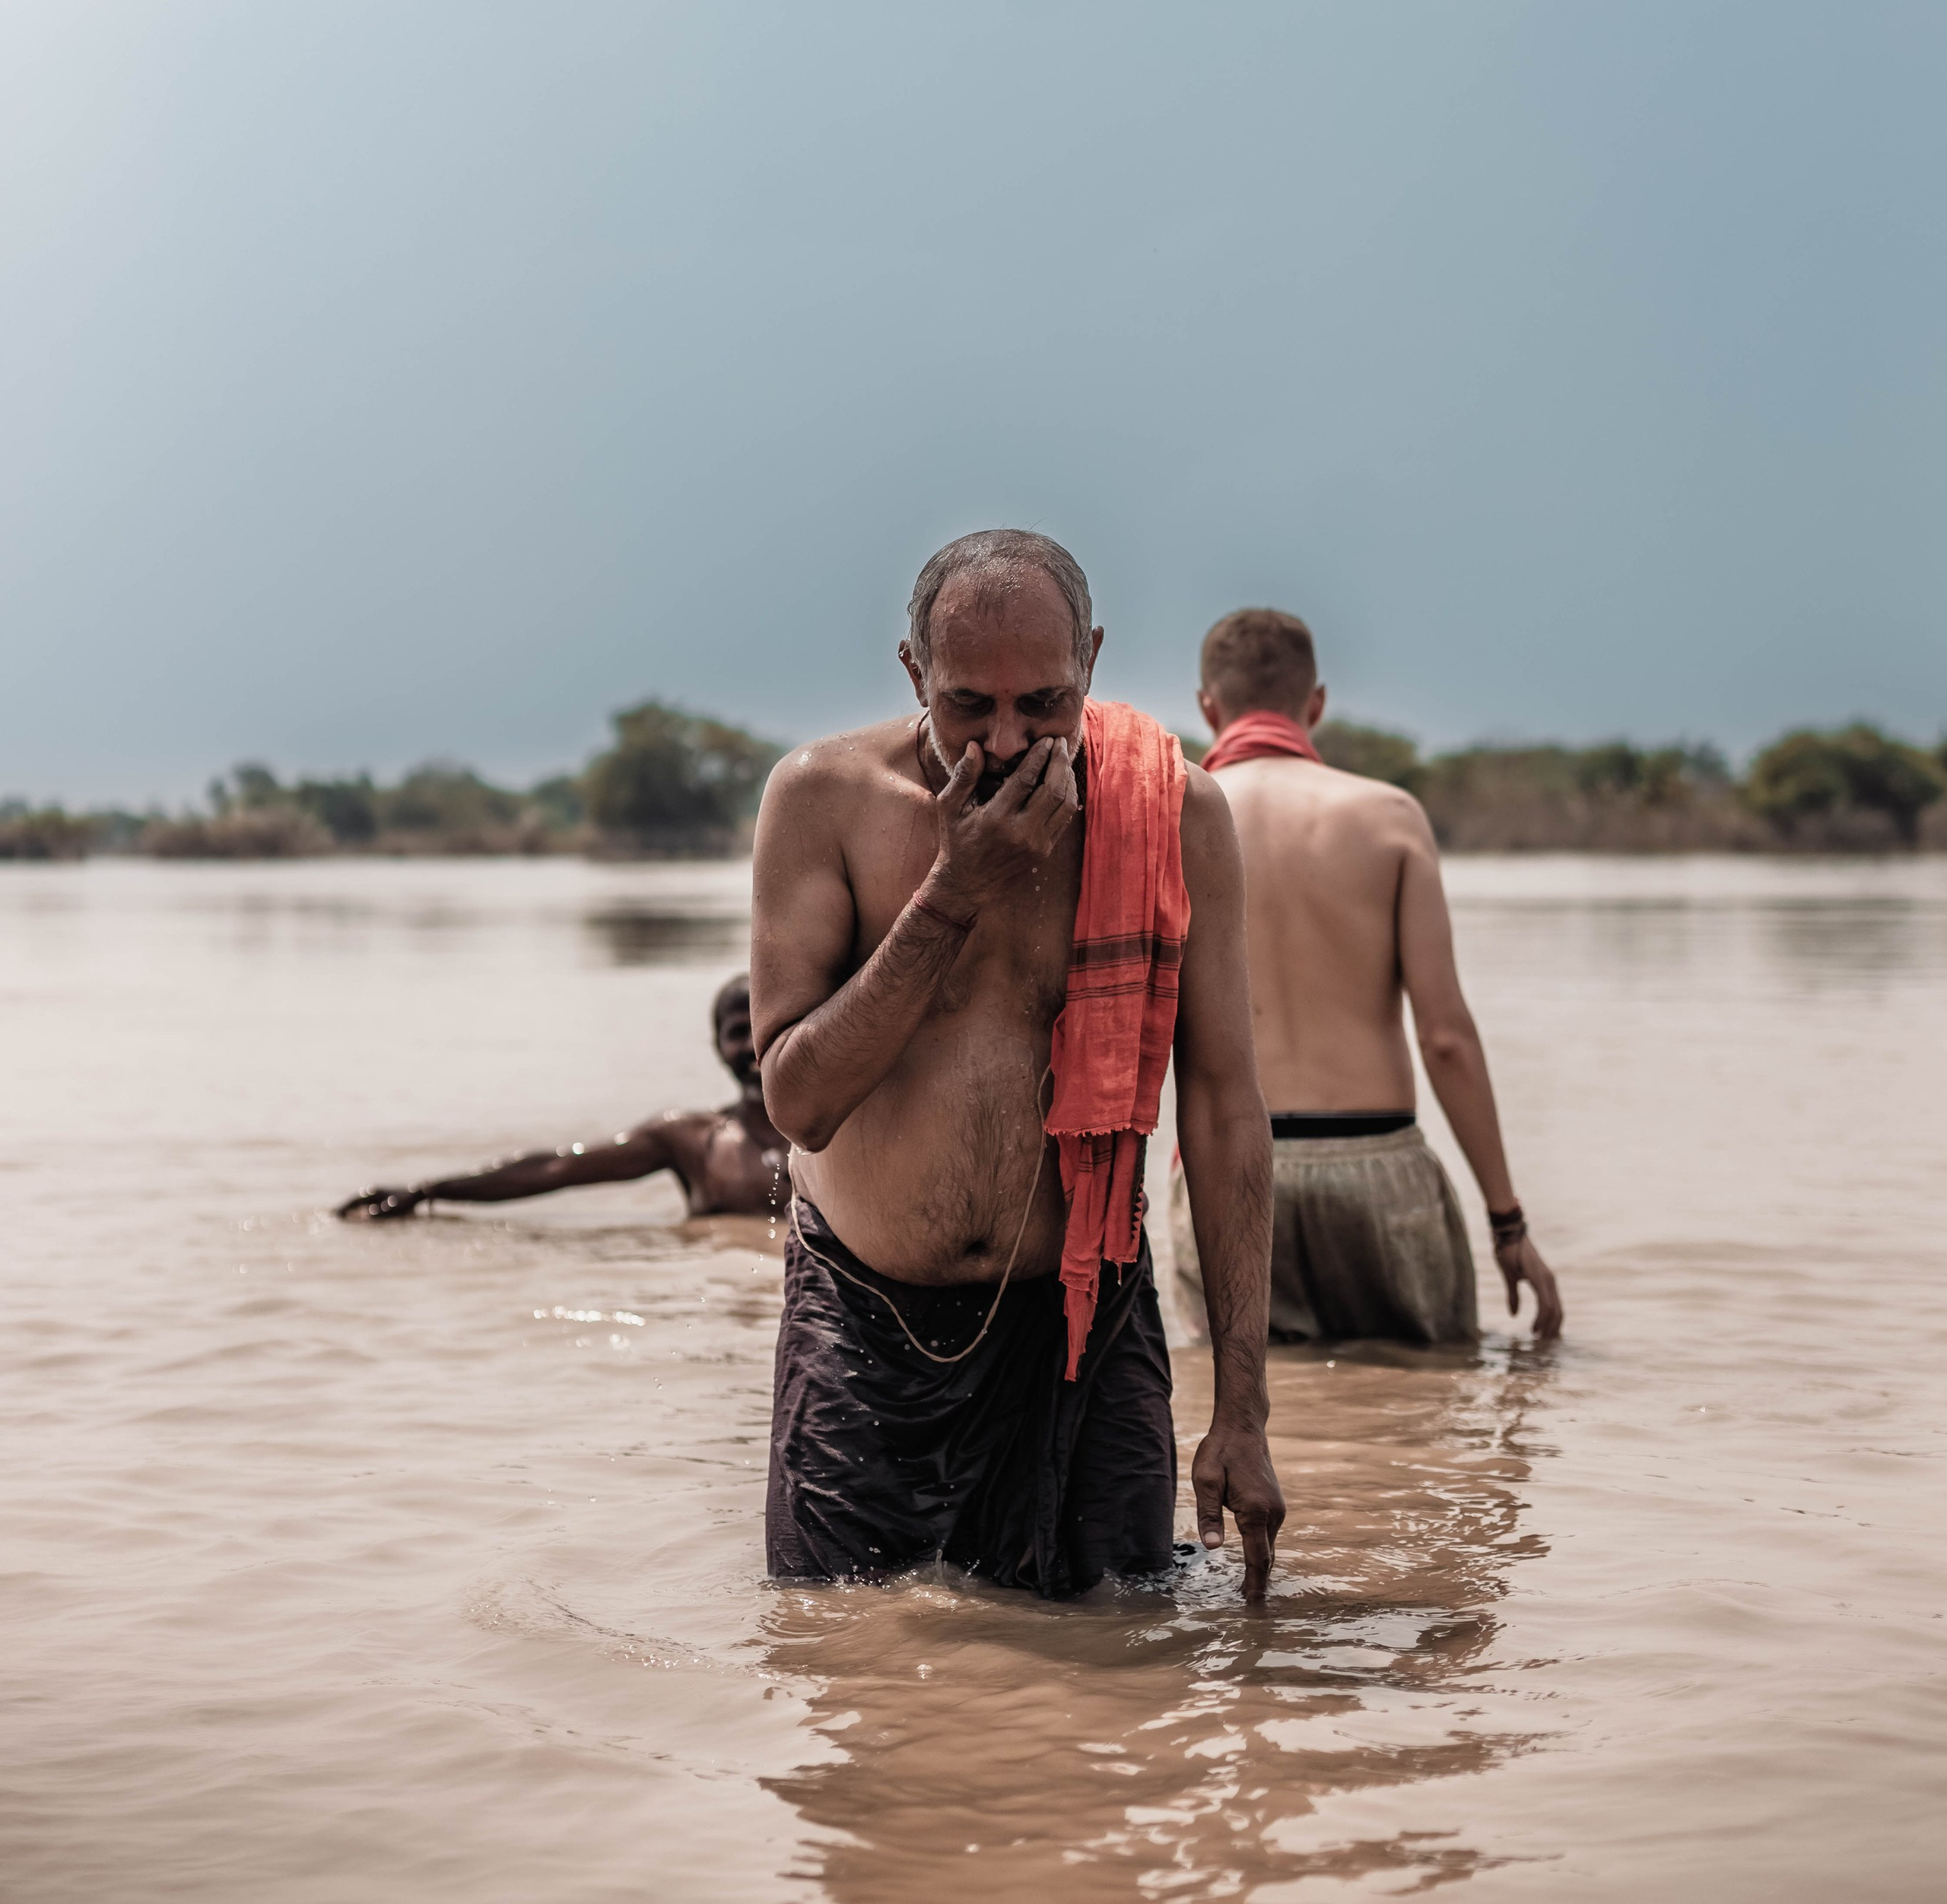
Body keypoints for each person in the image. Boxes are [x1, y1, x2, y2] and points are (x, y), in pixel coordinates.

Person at [752, 528, 1284, 1602]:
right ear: (914, 674)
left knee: (1117, 1672)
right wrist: (953, 892)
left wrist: (1243, 1413)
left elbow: (1224, 1110)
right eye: (967, 707)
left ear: (1090, 661)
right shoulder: (823, 802)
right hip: (866, 1323)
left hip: (1085, 1319)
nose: (1004, 742)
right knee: (845, 1676)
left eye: (1042, 705)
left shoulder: (1173, 813)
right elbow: (799, 1102)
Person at [1173, 608, 1563, 1348]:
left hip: (1224, 1171)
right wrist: (1506, 1222)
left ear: (1206, 706)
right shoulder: (1388, 816)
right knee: (1423, 1424)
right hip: (1377, 1165)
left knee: (1251, 1419)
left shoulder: (1168, 819)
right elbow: (1445, 1037)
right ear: (1314, 703)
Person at [334, 974, 787, 1220]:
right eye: (736, 1033)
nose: (752, 1047)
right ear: (716, 1048)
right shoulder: (692, 1140)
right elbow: (556, 1167)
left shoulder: (847, 1127)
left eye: (762, 1027)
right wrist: (430, 1191)